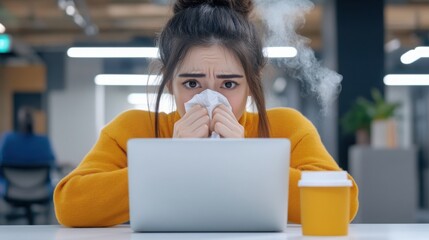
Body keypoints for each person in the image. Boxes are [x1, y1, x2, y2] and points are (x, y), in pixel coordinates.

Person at [54, 0, 359, 227]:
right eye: (191, 83)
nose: (210, 98)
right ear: (170, 84)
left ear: (251, 85)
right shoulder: (135, 128)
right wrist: (170, 160)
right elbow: (71, 205)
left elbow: (344, 204)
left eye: (228, 83)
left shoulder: (285, 127)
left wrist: (248, 160)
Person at [0, 106, 56, 195]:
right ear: (33, 122)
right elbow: (53, 165)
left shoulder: (7, 140)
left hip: (11, 191)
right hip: (40, 192)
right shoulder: (44, 142)